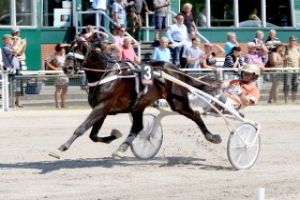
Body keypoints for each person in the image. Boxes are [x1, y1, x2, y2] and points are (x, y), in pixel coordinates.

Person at [45, 44, 69, 109]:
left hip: (65, 73)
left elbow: (70, 45)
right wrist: (54, 68)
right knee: (58, 89)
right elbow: (47, 61)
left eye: (64, 48)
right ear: (59, 49)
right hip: (59, 73)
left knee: (65, 89)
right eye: (62, 48)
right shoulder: (55, 55)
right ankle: (57, 105)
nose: (64, 49)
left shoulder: (65, 55)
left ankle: (63, 104)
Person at [2, 34, 22, 108]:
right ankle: (12, 104)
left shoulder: (11, 47)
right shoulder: (5, 48)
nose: (13, 40)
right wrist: (19, 43)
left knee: (17, 88)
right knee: (12, 88)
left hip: (16, 70)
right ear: (6, 40)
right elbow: (15, 52)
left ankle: (17, 103)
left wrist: (20, 44)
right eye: (12, 39)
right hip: (10, 71)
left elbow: (19, 52)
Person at [283, 35, 300, 104]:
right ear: (289, 41)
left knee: (295, 84)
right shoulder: (286, 48)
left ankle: (293, 100)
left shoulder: (298, 48)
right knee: (287, 84)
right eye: (292, 40)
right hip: (288, 69)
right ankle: (286, 101)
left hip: (296, 69)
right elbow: (282, 57)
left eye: (295, 40)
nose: (293, 42)